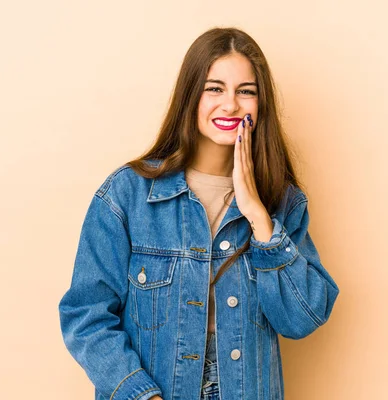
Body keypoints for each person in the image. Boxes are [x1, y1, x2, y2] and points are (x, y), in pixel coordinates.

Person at [59, 27, 339, 400]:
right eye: (215, 89)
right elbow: (86, 316)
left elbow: (301, 319)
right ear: (191, 97)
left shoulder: (282, 204)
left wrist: (259, 218)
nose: (231, 105)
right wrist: (142, 395)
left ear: (260, 104)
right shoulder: (127, 195)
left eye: (246, 91)